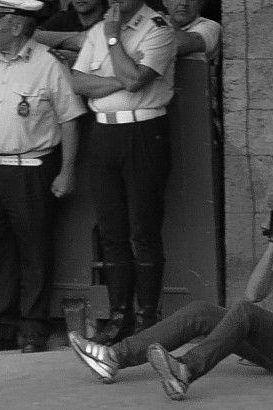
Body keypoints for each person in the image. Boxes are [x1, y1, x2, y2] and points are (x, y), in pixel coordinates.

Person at [67, 186, 273, 396]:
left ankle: (185, 370)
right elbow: (253, 293)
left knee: (246, 315)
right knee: (201, 312)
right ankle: (113, 357)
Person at [0, 0, 81, 355]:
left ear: (16, 25)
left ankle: (33, 328)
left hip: (32, 169)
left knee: (34, 252)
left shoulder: (47, 66)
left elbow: (69, 119)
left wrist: (67, 170)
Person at [70, 0, 175, 341]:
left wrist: (115, 40)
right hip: (104, 131)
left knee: (143, 230)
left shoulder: (158, 27)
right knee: (111, 230)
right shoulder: (99, 29)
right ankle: (119, 317)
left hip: (143, 130)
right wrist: (119, 75)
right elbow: (78, 82)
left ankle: (146, 318)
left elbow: (135, 82)